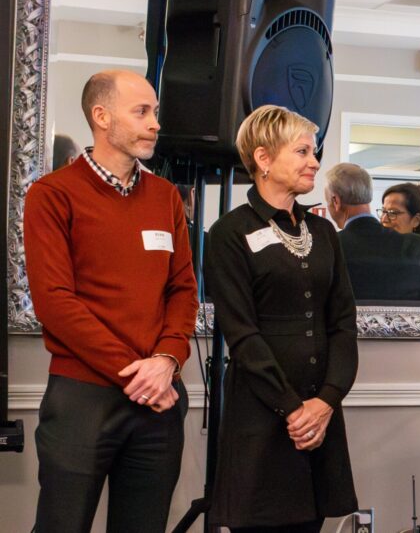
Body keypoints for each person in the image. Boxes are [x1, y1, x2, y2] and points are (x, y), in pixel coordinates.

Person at [23, 69, 198, 532]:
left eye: (155, 112)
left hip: (158, 398)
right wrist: (137, 373)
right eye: (141, 112)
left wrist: (165, 362)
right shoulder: (52, 195)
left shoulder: (165, 197)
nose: (155, 123)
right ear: (101, 117)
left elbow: (182, 290)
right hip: (84, 398)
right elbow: (55, 302)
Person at [206, 106, 358, 532]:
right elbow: (242, 334)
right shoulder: (229, 233)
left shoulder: (325, 233)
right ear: (264, 159)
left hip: (320, 416)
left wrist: (326, 401)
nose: (315, 162)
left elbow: (343, 324)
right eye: (303, 151)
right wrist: (295, 411)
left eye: (315, 151)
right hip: (263, 418)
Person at [327, 164, 420, 300]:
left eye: (393, 213)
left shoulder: (415, 248)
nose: (384, 219)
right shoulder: (413, 251)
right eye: (384, 211)